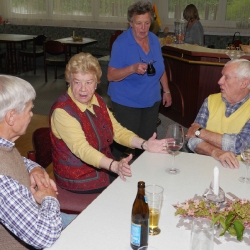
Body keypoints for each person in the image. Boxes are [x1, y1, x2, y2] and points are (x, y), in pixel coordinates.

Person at [50, 52, 168, 194]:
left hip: (104, 170)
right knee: (133, 191)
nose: (83, 89)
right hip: (79, 178)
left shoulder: (97, 99)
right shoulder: (63, 111)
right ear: (69, 81)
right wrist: (114, 166)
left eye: (88, 82)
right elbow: (82, 149)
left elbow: (116, 131)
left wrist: (145, 144)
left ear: (96, 83)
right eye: (77, 82)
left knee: (148, 181)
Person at [0, 75, 62, 249]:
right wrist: (49, 197)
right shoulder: (2, 180)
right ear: (11, 117)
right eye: (29, 110)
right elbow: (44, 237)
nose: (32, 115)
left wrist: (34, 168)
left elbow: (16, 159)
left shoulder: (4, 144)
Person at [107, 1, 172, 160]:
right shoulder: (121, 43)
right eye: (139, 23)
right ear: (131, 23)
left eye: (147, 23)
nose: (143, 28)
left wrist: (166, 90)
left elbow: (160, 68)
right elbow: (110, 75)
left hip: (151, 99)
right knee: (125, 143)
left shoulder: (154, 40)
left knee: (147, 141)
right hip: (127, 101)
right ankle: (109, 171)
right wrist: (132, 68)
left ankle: (144, 175)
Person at [186, 59, 250, 169]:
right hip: (204, 164)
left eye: (227, 77)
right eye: (221, 76)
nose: (219, 81)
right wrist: (215, 152)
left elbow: (238, 145)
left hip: (238, 170)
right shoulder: (211, 100)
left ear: (244, 83)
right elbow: (191, 140)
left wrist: (199, 131)